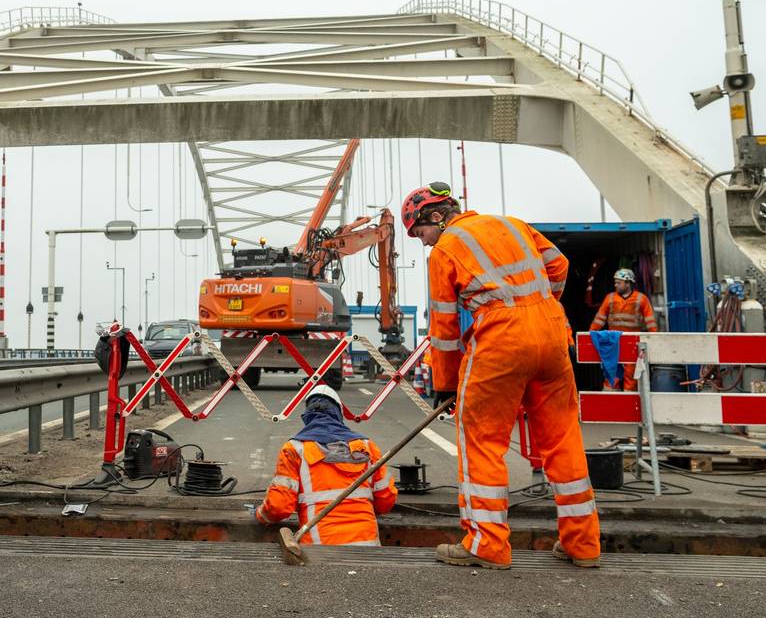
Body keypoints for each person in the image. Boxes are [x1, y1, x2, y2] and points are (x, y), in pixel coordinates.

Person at [402, 181, 600, 570]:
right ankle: (583, 544)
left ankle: (486, 543)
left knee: (481, 440)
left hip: (501, 337)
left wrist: (444, 384)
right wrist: (539, 305)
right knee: (562, 438)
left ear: (437, 217)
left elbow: (442, 329)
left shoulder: (445, 250)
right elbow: (558, 265)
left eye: (420, 232)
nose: (422, 242)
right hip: (550, 330)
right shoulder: (513, 224)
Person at [254, 385, 397, 546]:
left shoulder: (295, 448)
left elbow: (278, 507)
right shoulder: (366, 446)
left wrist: (260, 514)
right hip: (367, 546)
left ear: (307, 416)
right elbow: (386, 500)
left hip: (318, 551)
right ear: (339, 414)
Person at [588, 269, 658, 391]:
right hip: (612, 342)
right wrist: (590, 335)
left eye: (618, 282)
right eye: (615, 282)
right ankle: (609, 401)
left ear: (628, 283)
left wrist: (654, 340)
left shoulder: (641, 299)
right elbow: (599, 319)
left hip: (632, 343)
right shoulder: (610, 298)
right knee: (611, 373)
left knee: (630, 376)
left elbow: (650, 322)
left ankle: (629, 402)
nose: (615, 285)